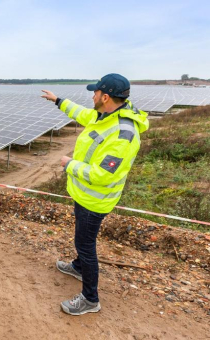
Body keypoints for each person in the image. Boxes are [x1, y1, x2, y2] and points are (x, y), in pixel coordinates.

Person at [41, 73, 149, 315]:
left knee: (85, 245)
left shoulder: (124, 134)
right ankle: (78, 268)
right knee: (83, 241)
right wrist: (58, 100)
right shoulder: (106, 115)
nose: (92, 96)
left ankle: (90, 299)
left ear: (106, 97)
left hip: (95, 202)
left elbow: (103, 175)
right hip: (84, 196)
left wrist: (69, 164)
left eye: (95, 92)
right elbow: (81, 113)